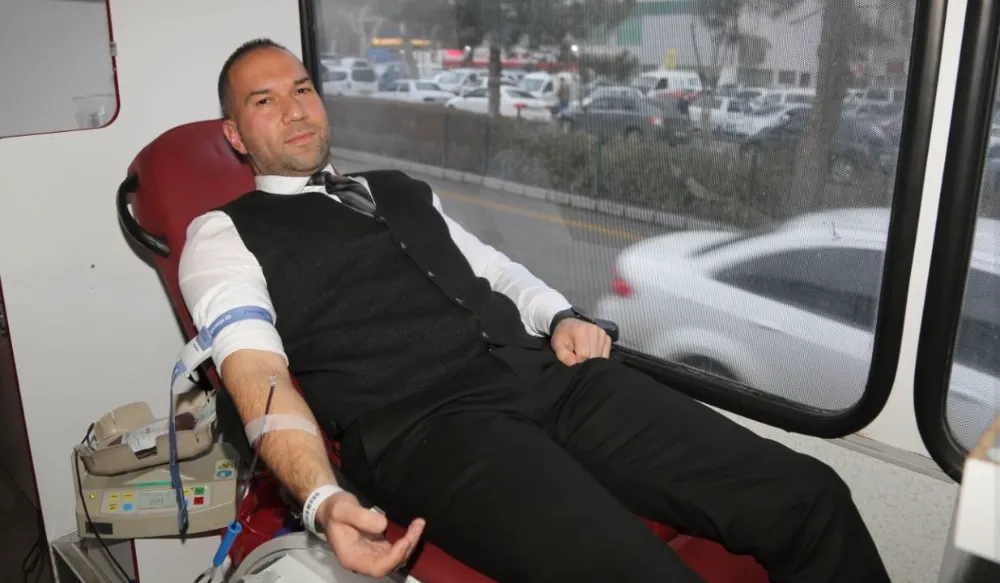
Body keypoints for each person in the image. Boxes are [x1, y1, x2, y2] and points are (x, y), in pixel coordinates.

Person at [178, 38, 892, 583]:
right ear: (235, 135)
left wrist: (560, 316)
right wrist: (320, 500)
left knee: (809, 496)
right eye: (264, 100)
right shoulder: (223, 233)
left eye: (302, 88)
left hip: (543, 375)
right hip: (431, 430)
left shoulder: (393, 186)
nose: (295, 109)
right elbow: (257, 373)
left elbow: (493, 267)